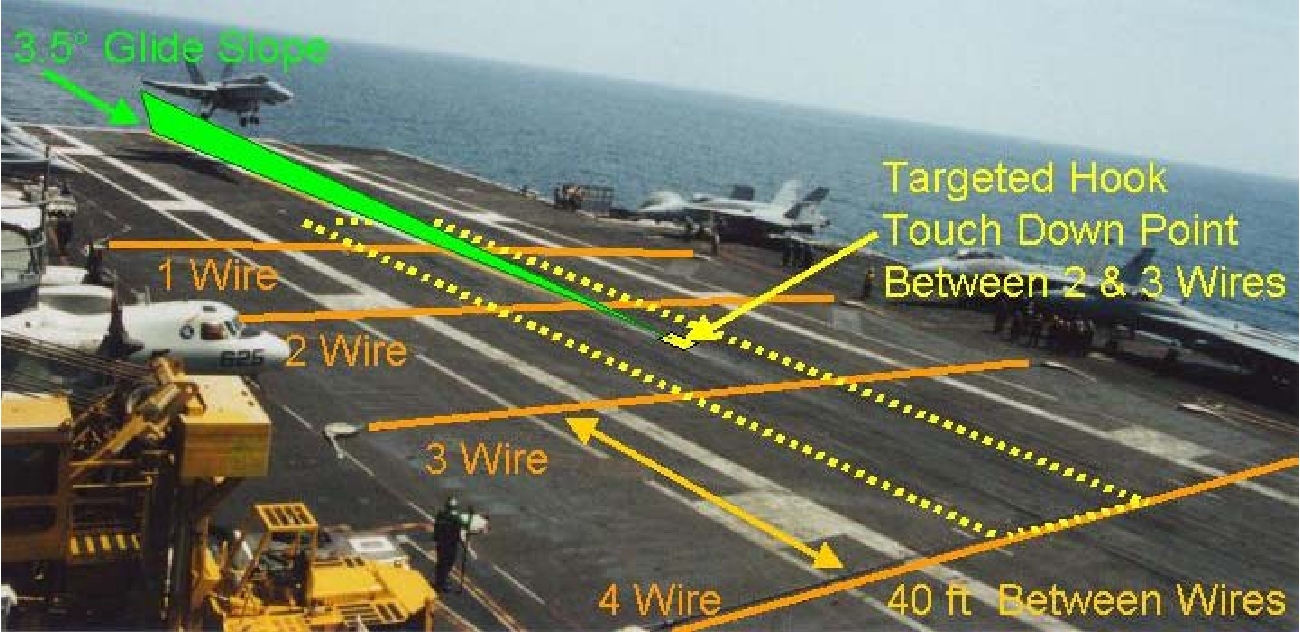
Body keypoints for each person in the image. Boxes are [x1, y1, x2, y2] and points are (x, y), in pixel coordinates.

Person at [433, 496, 467, 592]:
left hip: (441, 543)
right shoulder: (457, 518)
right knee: (447, 565)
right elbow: (462, 531)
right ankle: (441, 585)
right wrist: (464, 544)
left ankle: (439, 582)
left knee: (440, 564)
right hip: (451, 545)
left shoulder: (440, 514)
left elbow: (436, 528)